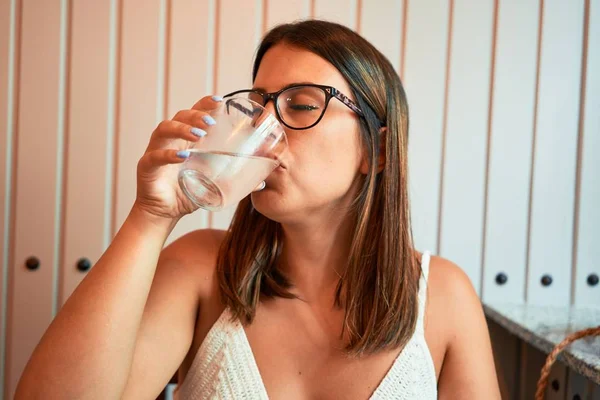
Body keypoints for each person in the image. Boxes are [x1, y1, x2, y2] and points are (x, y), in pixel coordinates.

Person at [16, 20, 500, 399]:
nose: (265, 128)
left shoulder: (442, 298)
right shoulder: (202, 270)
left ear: (376, 151)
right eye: (259, 105)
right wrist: (151, 217)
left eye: (302, 105)